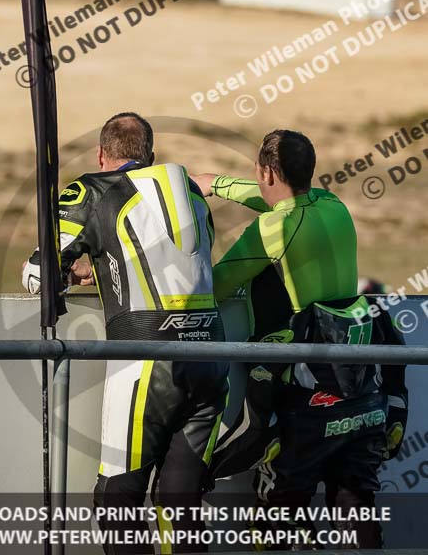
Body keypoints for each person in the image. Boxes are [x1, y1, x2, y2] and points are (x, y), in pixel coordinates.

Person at [23, 112, 228, 554]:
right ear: (150, 156)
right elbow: (166, 267)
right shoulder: (190, 193)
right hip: (213, 357)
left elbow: (37, 276)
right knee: (180, 504)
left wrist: (74, 272)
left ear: (101, 154)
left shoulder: (93, 189)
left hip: (148, 363)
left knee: (116, 499)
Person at [194, 129, 407, 550]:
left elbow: (215, 287)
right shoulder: (334, 205)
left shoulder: (272, 229)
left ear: (268, 172)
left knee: (281, 518)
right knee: (356, 512)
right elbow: (279, 199)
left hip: (309, 394)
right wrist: (217, 183)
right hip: (362, 387)